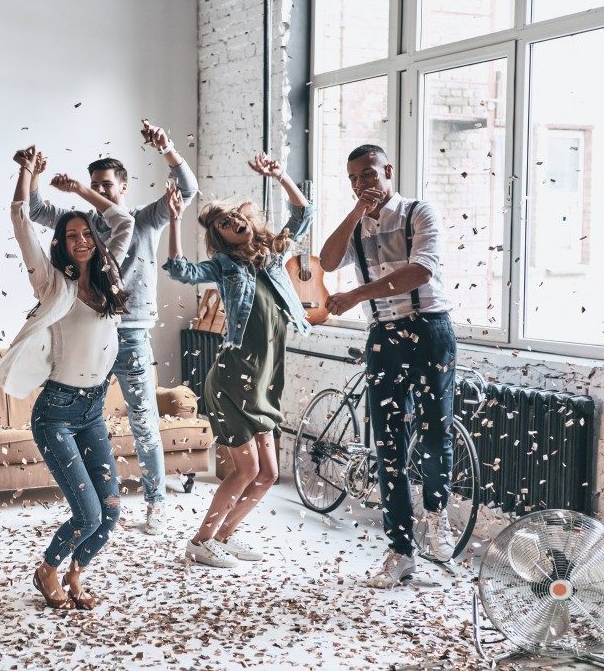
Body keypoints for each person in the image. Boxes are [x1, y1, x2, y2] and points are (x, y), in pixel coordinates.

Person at [26, 120, 199, 535]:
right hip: (88, 338)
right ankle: (96, 504)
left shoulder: (143, 220)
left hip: (131, 333)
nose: (100, 191)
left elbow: (188, 190)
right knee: (88, 420)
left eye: (107, 185)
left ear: (122, 186)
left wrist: (168, 147)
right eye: (94, 184)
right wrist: (31, 174)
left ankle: (156, 502)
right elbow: (34, 209)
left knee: (144, 420)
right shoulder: (81, 226)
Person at [0, 146, 134, 609]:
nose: (81, 241)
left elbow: (125, 223)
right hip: (57, 412)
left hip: (93, 408)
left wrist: (79, 192)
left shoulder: (110, 276)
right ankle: (47, 569)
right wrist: (27, 173)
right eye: (71, 236)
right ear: (62, 244)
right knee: (86, 512)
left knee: (109, 516)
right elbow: (19, 218)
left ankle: (75, 573)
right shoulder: (53, 284)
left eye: (86, 232)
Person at [163, 154, 314, 568]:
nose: (234, 225)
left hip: (264, 379)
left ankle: (224, 538)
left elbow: (303, 213)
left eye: (235, 218)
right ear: (221, 239)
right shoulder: (225, 266)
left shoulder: (272, 256)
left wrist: (280, 175)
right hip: (233, 378)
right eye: (224, 226)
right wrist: (176, 219)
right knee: (246, 470)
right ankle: (201, 540)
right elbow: (179, 269)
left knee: (268, 474)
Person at [319, 143, 456, 588]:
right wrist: (355, 209)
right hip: (384, 338)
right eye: (355, 178)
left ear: (389, 171)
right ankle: (400, 549)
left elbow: (421, 272)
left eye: (370, 175)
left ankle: (436, 515)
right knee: (388, 446)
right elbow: (326, 260)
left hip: (430, 330)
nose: (364, 183)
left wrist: (356, 295)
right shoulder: (358, 224)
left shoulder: (418, 212)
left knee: (435, 432)